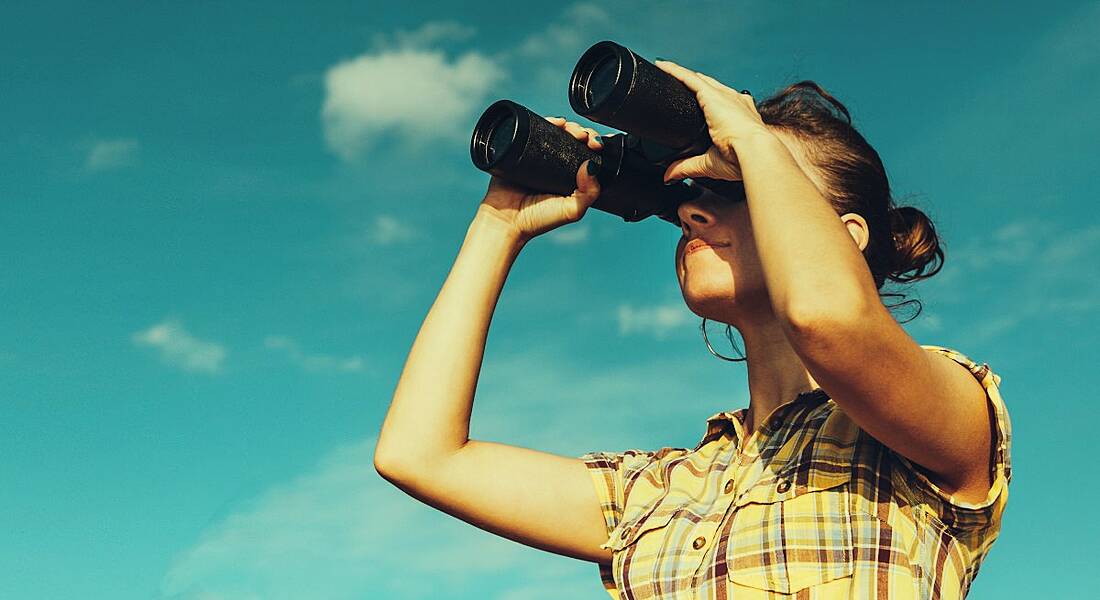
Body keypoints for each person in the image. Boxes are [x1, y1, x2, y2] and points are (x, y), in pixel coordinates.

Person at [373, 59, 1011, 600]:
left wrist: (754, 140)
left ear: (848, 239)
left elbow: (829, 320)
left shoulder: (937, 423)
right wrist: (499, 224)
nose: (691, 209)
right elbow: (419, 455)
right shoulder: (661, 493)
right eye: (691, 191)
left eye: (736, 187)